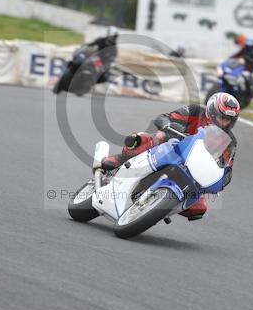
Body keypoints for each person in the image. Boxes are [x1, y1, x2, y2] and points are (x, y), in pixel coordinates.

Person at [100, 92, 240, 221]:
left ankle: (159, 208)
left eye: (228, 120)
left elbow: (227, 168)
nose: (223, 122)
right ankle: (121, 159)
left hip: (191, 171)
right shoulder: (195, 112)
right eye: (222, 117)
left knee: (199, 208)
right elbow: (164, 117)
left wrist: (221, 179)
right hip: (171, 148)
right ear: (212, 111)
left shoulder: (229, 141)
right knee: (156, 137)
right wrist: (169, 125)